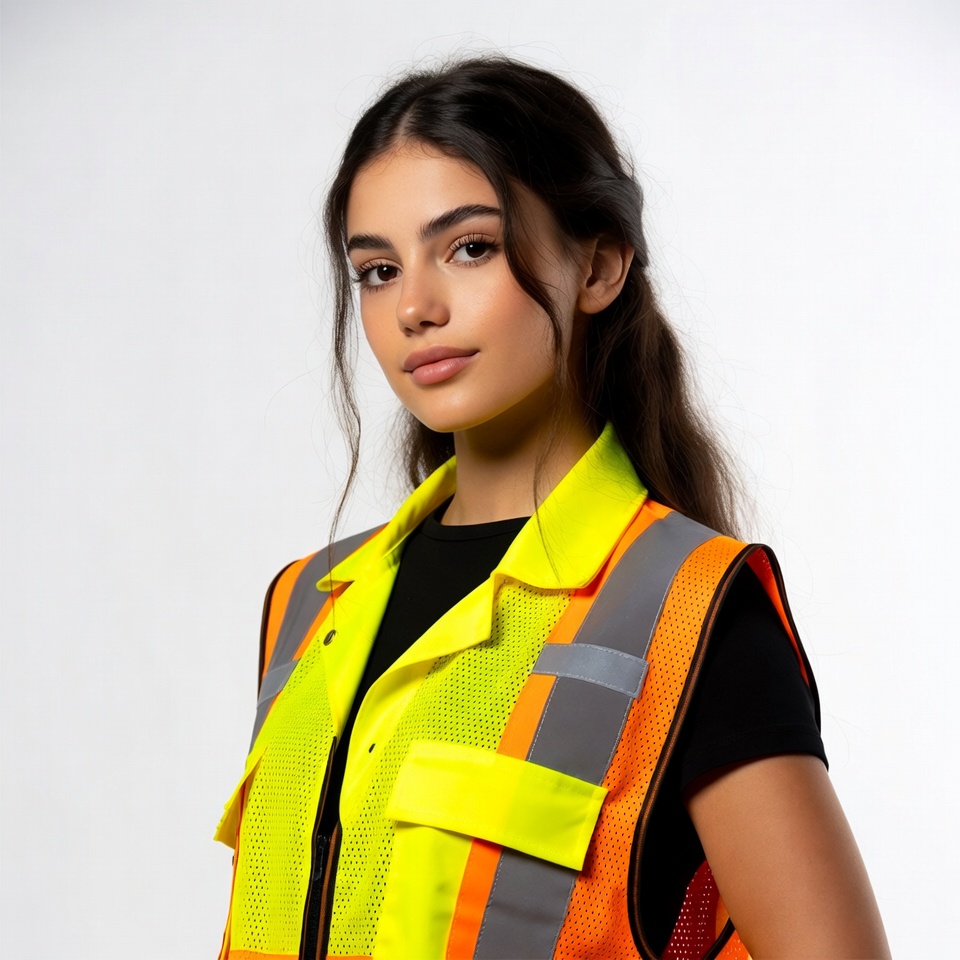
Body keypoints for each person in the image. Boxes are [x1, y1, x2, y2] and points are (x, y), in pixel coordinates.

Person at [215, 56, 890, 959]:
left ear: (600, 266)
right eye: (376, 270)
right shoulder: (307, 605)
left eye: (469, 247)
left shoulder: (689, 610)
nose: (414, 305)